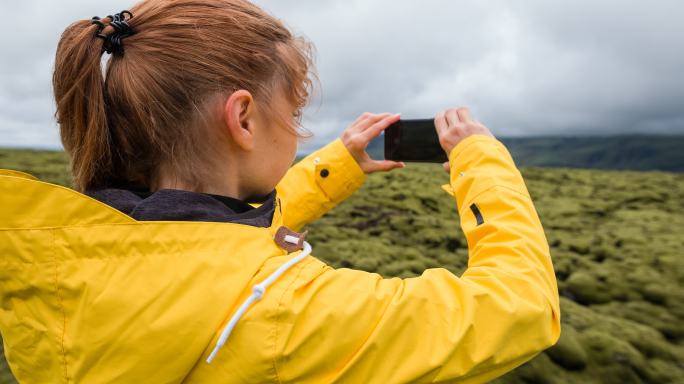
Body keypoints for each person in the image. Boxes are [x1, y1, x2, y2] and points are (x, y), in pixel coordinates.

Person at [0, 0, 561, 382]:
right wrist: (481, 161)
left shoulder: (55, 258)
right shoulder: (291, 314)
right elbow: (520, 308)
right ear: (242, 118)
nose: (300, 130)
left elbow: (207, 248)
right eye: (293, 112)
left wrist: (334, 167)